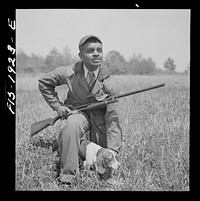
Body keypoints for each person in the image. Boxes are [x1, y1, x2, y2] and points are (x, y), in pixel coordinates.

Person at [38, 35, 122, 184]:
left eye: (99, 50)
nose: (96, 53)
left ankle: (105, 178)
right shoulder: (68, 72)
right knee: (71, 127)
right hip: (77, 113)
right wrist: (57, 106)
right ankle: (67, 178)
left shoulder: (111, 83)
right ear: (80, 55)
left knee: (102, 156)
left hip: (100, 120)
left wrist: (113, 150)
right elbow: (44, 82)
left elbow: (113, 120)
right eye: (90, 50)